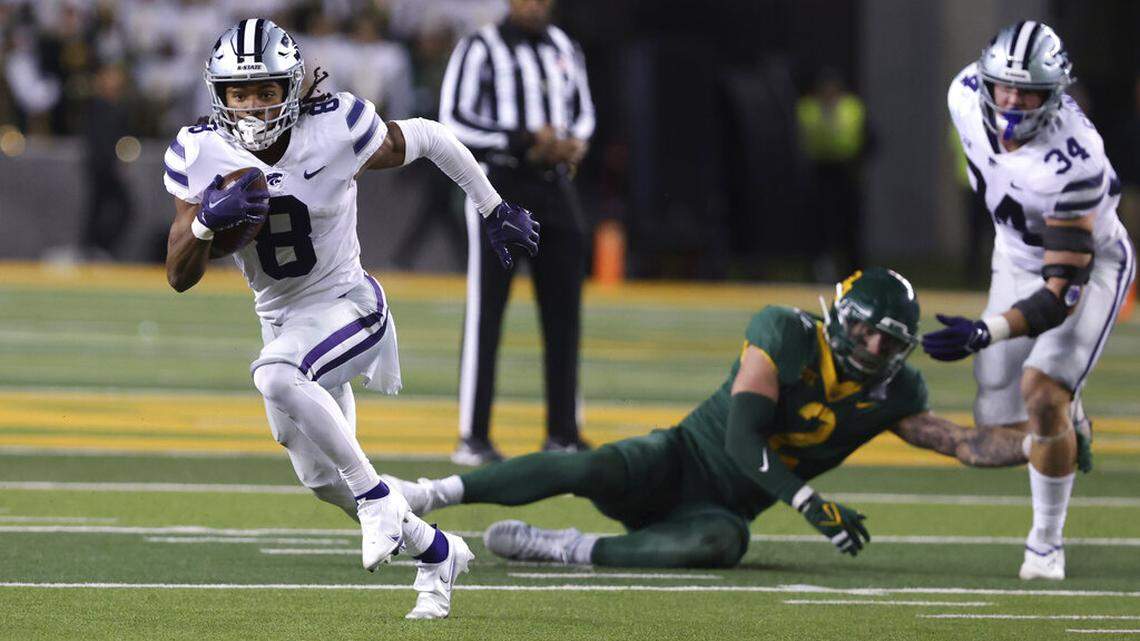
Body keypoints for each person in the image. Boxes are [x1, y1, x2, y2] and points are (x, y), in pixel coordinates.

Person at [162, 18, 540, 618]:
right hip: (282, 323)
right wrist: (206, 220)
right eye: (240, 93)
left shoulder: (335, 125)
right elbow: (179, 274)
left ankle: (377, 500)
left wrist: (492, 207)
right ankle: (437, 551)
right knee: (321, 480)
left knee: (276, 376)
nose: (253, 106)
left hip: (351, 307)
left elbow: (429, 136)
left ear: (291, 89)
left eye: (266, 91)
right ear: (219, 94)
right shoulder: (201, 150)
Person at [382, 268, 1030, 569]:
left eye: (891, 341)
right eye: (868, 331)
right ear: (842, 317)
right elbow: (742, 437)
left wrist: (1044, 443)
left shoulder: (895, 390)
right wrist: (808, 502)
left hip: (720, 507)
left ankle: (562, 547)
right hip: (678, 460)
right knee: (595, 465)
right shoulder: (786, 332)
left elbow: (965, 444)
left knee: (725, 545)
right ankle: (430, 493)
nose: (876, 348)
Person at [924, 21, 1135, 581]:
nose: (1013, 101)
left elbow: (1059, 296)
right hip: (1014, 253)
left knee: (1041, 392)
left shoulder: (1075, 161)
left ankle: (1045, 544)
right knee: (997, 419)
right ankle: (1068, 419)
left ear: (1055, 94)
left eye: (1030, 92)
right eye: (1005, 87)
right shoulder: (963, 93)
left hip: (1089, 264)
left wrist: (985, 330)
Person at [439, 0, 595, 465]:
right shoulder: (480, 46)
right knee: (487, 312)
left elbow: (583, 111)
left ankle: (564, 433)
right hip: (500, 186)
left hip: (557, 186)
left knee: (565, 313)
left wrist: (571, 142)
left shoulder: (564, 45)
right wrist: (524, 139)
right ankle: (473, 436)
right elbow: (453, 119)